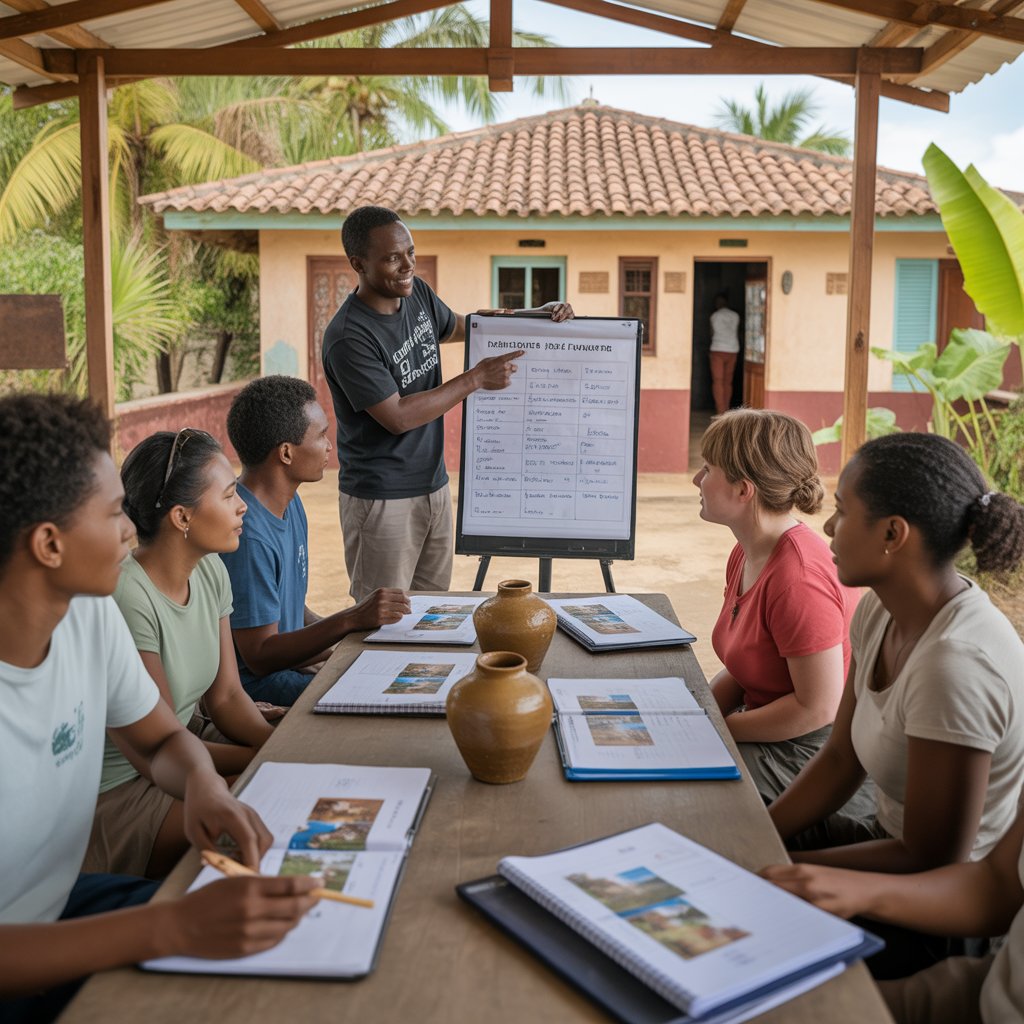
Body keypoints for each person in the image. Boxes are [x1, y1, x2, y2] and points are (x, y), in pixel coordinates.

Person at [0, 394, 317, 1024]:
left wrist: (203, 785)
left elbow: (157, 741)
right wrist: (168, 927)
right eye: (115, 512)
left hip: (61, 904)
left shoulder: (87, 615)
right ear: (48, 544)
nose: (129, 529)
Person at [767, 433, 1024, 976]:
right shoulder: (880, 612)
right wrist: (760, 836)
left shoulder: (955, 664)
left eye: (842, 511)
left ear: (892, 534)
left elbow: (933, 856)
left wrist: (783, 868)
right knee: (720, 831)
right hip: (888, 847)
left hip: (943, 914)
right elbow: (840, 760)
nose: (829, 528)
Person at [322, 204, 574, 601]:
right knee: (384, 618)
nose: (407, 266)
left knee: (433, 611)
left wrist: (535, 315)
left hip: (433, 486)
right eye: (392, 258)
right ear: (359, 263)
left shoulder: (417, 293)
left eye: (411, 253)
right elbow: (397, 417)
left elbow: (462, 325)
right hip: (382, 498)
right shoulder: (350, 337)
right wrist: (475, 379)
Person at [84, 428, 278, 880]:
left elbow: (227, 696)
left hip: (183, 756)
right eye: (229, 494)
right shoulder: (127, 598)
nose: (242, 505)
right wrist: (268, 758)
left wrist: (273, 746)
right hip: (125, 791)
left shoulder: (210, 569)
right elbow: (156, 747)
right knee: (266, 804)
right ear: (181, 517)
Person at [693, 409, 857, 804]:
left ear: (743, 489)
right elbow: (745, 668)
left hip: (809, 753)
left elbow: (816, 708)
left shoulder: (798, 579)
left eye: (707, 468)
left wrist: (712, 727)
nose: (696, 480)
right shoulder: (748, 552)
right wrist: (695, 715)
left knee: (683, 795)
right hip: (765, 729)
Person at [221, 375, 411, 706]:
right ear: (286, 453)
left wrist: (356, 637)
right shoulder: (246, 533)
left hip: (291, 667)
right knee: (388, 696)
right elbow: (260, 657)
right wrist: (350, 620)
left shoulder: (290, 503)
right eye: (321, 435)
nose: (329, 445)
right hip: (258, 687)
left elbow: (291, 611)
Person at [763, 800, 1024, 1023]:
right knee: (771, 1002)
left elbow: (931, 854)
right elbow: (997, 884)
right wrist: (862, 891)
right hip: (978, 988)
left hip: (980, 989)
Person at [708, 293, 740, 415]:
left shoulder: (714, 316)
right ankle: (726, 409)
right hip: (733, 349)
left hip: (717, 349)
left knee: (718, 381)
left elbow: (711, 333)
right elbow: (736, 332)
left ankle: (720, 410)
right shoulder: (735, 315)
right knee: (727, 382)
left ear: (718, 303)